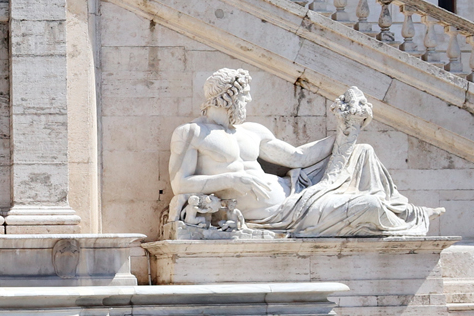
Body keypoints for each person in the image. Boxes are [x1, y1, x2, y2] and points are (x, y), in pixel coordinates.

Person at [167, 68, 441, 237]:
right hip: (278, 213)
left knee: (362, 151)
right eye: (245, 95)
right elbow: (180, 184)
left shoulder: (251, 131)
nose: (249, 100)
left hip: (297, 195)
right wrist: (230, 180)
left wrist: (344, 129)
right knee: (370, 206)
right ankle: (406, 216)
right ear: (229, 97)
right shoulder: (192, 133)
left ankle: (405, 211)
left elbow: (298, 158)